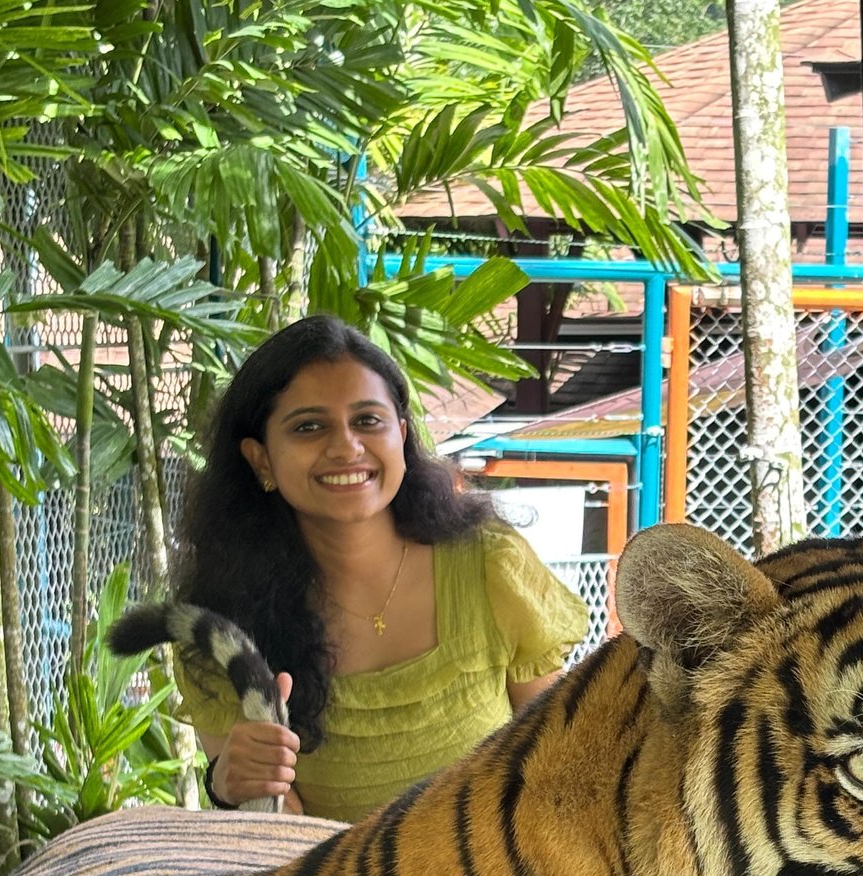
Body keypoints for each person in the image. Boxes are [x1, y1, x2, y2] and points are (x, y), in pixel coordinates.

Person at [171, 314, 589, 821]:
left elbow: (562, 762)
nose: (346, 446)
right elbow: (284, 840)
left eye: (368, 421)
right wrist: (234, 784)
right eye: (309, 426)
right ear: (261, 460)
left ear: (402, 436)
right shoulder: (224, 621)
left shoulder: (490, 566)